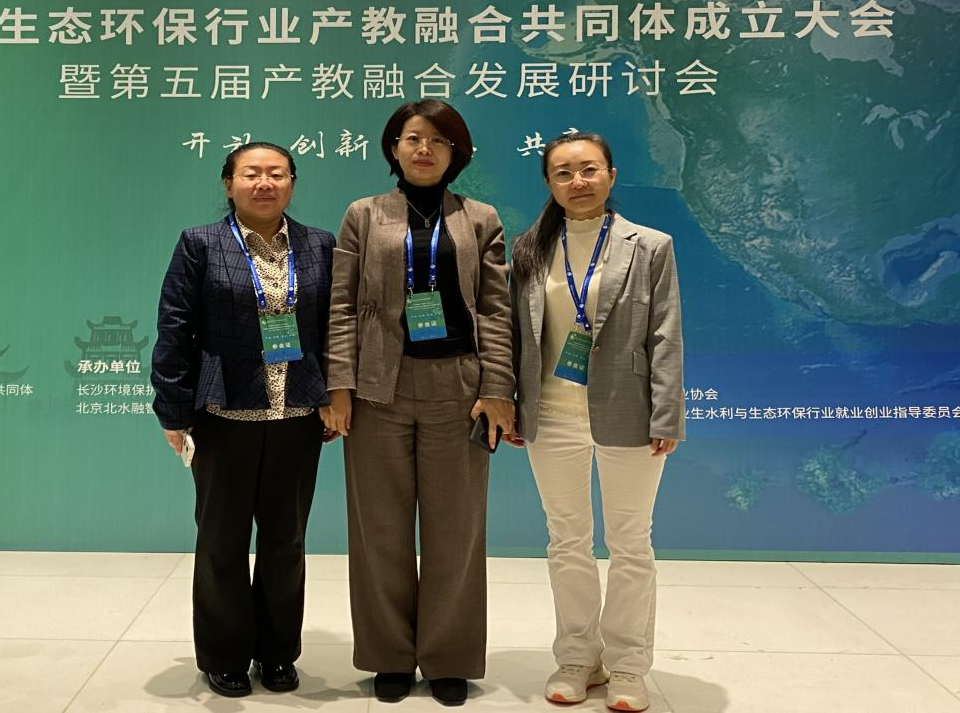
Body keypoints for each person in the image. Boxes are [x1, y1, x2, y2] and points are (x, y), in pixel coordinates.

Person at [321, 99, 515, 707]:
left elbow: (496, 309)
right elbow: (342, 304)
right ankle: (389, 657)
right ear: (394, 148)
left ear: (456, 152)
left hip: (459, 390)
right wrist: (338, 384)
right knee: (378, 529)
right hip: (378, 387)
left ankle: (449, 656)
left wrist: (498, 387)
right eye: (412, 138)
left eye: (438, 140)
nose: (424, 149)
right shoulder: (364, 214)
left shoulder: (480, 218)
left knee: (456, 530)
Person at [150, 142, 335, 699]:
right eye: (251, 173)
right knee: (221, 541)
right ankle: (225, 654)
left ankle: (277, 653)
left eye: (276, 173)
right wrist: (173, 409)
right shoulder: (200, 243)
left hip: (297, 412)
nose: (264, 183)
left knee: (286, 541)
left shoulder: (320, 244)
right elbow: (174, 326)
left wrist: (336, 395)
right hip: (223, 414)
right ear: (228, 184)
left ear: (292, 183)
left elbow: (334, 327)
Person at [508, 133, 683, 712]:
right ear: (549, 183)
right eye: (563, 173)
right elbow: (515, 334)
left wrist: (667, 411)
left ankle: (629, 665)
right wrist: (510, 402)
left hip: (628, 412)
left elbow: (665, 333)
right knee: (567, 542)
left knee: (630, 544)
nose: (577, 182)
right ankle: (578, 658)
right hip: (550, 414)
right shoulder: (529, 248)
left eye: (588, 169)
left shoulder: (650, 245)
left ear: (611, 175)